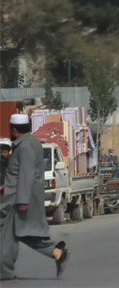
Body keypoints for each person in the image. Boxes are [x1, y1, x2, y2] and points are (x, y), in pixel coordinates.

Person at [0, 114, 69, 281]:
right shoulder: (28, 143)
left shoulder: (25, 147)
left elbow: (26, 173)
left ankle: (5, 272)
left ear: (14, 129)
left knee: (10, 235)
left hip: (18, 199)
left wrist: (23, 200)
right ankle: (57, 253)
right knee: (20, 234)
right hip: (16, 196)